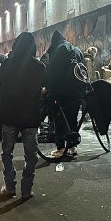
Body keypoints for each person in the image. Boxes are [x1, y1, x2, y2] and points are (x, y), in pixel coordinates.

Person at [0, 32, 46, 200]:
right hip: (30, 115)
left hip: (9, 114)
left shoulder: (6, 64)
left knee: (7, 152)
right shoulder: (39, 66)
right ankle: (26, 188)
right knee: (31, 154)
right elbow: (43, 87)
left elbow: (0, 85)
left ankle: (9, 186)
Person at [45, 30, 86, 159]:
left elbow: (53, 73)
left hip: (62, 92)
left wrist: (51, 92)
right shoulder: (76, 50)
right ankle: (73, 147)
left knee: (60, 119)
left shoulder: (57, 50)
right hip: (77, 91)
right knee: (72, 118)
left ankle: (61, 148)